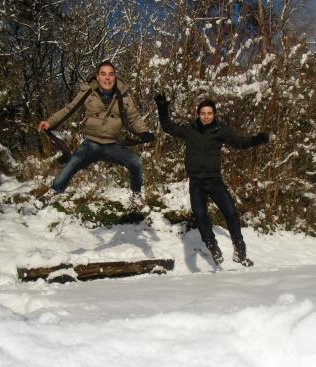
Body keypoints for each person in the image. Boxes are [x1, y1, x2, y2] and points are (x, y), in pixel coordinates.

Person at [154, 93, 269, 266]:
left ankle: (240, 249)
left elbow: (240, 142)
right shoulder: (190, 129)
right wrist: (162, 108)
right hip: (196, 182)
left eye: (209, 113)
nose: (206, 116)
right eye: (203, 113)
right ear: (198, 114)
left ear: (214, 114)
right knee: (200, 215)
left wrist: (257, 140)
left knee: (231, 213)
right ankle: (212, 245)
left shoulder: (220, 130)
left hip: (214, 181)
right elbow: (168, 127)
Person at [37, 60, 154, 208]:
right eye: (103, 74)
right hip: (91, 144)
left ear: (115, 77)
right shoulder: (88, 93)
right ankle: (52, 192)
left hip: (113, 145)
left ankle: (136, 195)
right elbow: (69, 109)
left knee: (136, 163)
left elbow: (134, 118)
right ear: (97, 77)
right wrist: (50, 122)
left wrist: (144, 131)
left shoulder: (123, 96)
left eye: (111, 74)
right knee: (72, 164)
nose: (107, 78)